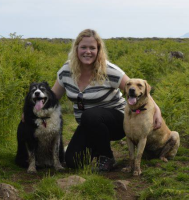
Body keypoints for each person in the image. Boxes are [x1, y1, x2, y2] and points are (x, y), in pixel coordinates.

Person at [52, 29, 162, 171]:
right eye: (83, 47)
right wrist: (30, 111)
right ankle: (94, 148)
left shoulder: (108, 70)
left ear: (98, 50)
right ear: (76, 49)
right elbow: (52, 97)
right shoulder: (66, 71)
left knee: (90, 115)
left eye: (92, 48)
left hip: (117, 121)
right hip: (88, 124)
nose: (88, 51)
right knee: (73, 161)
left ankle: (106, 156)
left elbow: (139, 90)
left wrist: (156, 111)